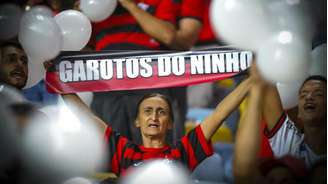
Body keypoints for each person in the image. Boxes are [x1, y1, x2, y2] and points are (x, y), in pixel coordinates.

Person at [62, 76, 252, 176]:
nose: (154, 116)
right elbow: (86, 117)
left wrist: (251, 80)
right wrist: (59, 84)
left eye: (161, 112)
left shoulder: (182, 152)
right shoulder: (123, 152)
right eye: (147, 111)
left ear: (169, 124)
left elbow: (219, 114)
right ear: (137, 121)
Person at [90, 0, 181, 144]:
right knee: (110, 152)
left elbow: (167, 35)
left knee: (155, 149)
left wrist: (130, 5)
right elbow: (82, 47)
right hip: (107, 87)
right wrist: (80, 15)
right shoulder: (97, 5)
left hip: (149, 83)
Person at [262, 75, 327, 167]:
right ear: (299, 113)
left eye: (318, 94)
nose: (308, 97)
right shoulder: (288, 142)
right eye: (303, 95)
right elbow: (264, 77)